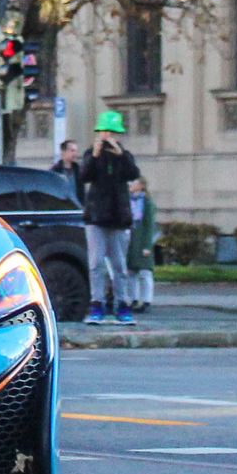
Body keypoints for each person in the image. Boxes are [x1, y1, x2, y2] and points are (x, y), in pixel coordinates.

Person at [76, 112, 142, 325]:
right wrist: (95, 155)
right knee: (95, 264)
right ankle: (97, 305)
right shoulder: (91, 154)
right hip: (96, 216)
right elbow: (84, 176)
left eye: (112, 132)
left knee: (119, 265)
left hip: (119, 217)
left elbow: (133, 174)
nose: (108, 136)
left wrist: (120, 154)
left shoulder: (125, 156)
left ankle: (122, 306)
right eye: (105, 132)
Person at [125, 174, 157, 314]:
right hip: (130, 240)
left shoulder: (147, 203)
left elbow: (149, 226)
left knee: (145, 272)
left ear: (141, 185)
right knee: (131, 272)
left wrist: (147, 246)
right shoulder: (127, 201)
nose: (131, 184)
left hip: (142, 241)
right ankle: (133, 299)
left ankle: (146, 300)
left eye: (134, 182)